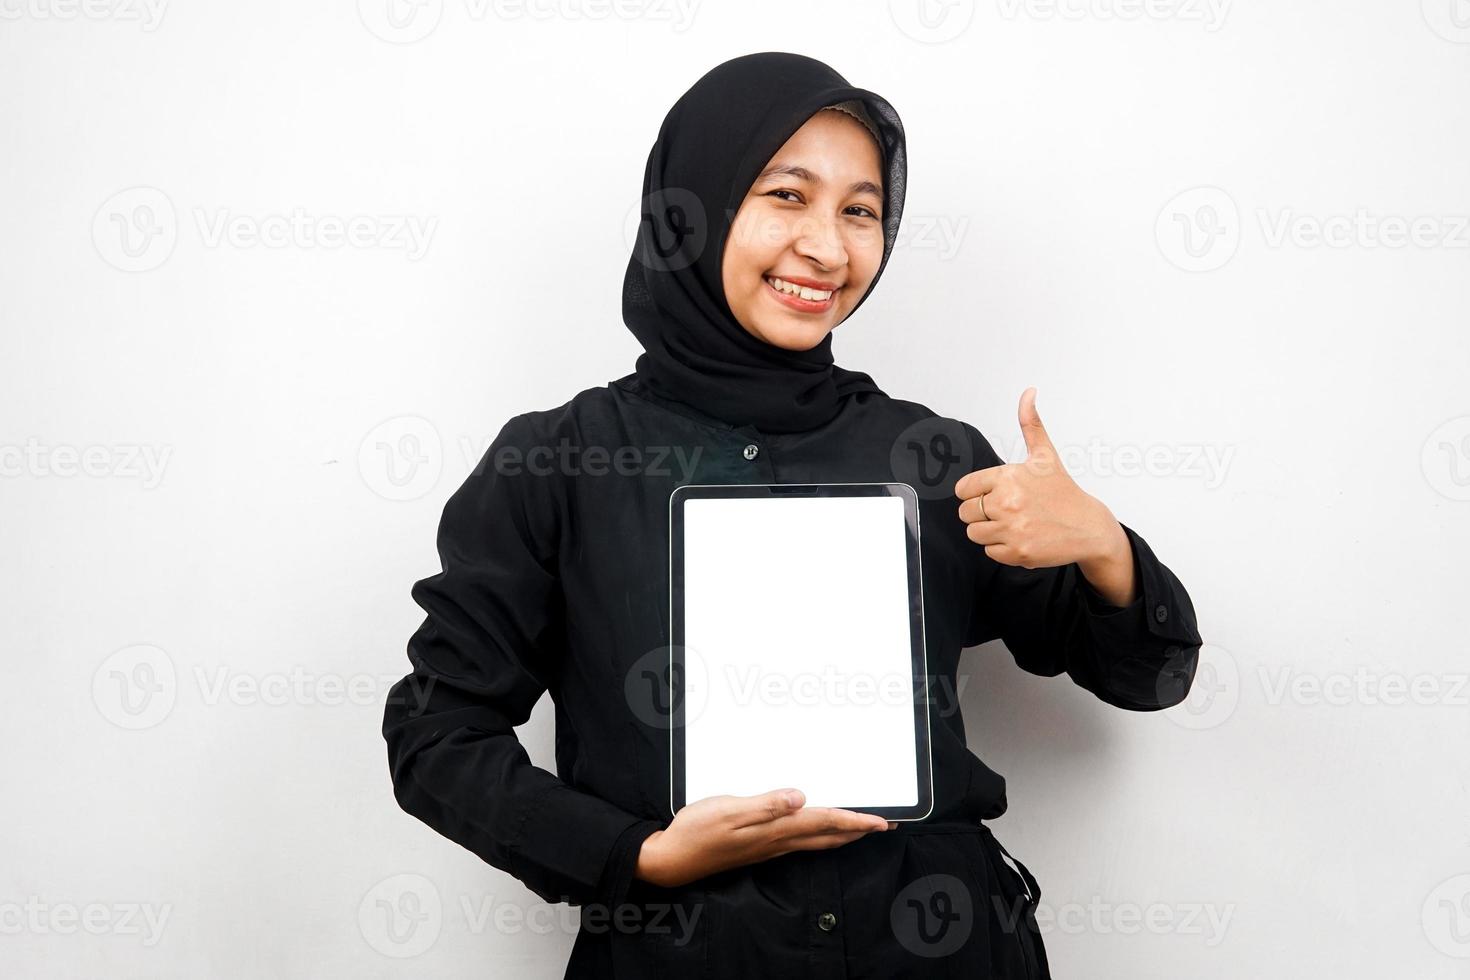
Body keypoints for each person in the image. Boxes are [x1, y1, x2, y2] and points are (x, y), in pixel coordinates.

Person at [381, 51, 1203, 979]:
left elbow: (1148, 675)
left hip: (939, 950)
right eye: (786, 195)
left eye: (860, 210)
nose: (828, 247)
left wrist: (1102, 545)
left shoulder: (930, 458)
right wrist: (636, 855)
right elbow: (435, 733)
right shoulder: (560, 461)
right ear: (695, 207)